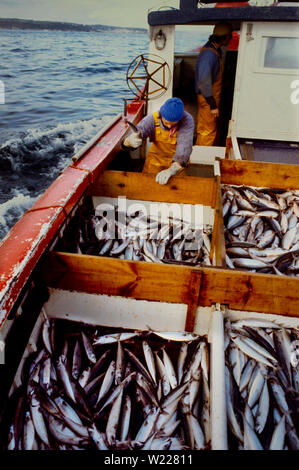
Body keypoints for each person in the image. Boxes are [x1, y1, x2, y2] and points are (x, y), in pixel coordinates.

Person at [122, 97, 194, 185]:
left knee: (176, 189)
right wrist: (129, 141)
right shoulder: (152, 118)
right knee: (146, 186)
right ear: (161, 115)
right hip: (154, 160)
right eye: (166, 122)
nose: (169, 127)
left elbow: (184, 146)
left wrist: (172, 170)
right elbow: (137, 132)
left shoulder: (187, 120)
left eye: (173, 124)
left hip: (176, 164)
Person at [195, 21, 232, 146]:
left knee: (207, 128)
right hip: (208, 99)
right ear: (225, 37)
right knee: (207, 131)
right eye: (230, 36)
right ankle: (201, 160)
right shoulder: (209, 54)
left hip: (211, 98)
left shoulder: (215, 50)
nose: (231, 38)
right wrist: (212, 105)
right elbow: (203, 82)